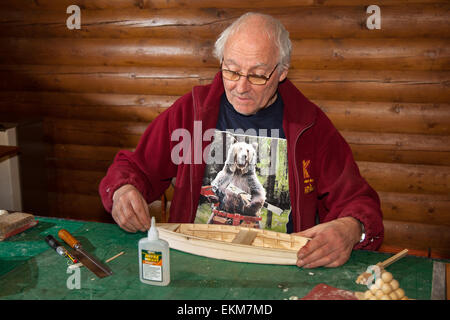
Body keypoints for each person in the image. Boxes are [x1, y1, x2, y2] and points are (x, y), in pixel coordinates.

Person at [99, 12, 384, 268]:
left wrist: (350, 228)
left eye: (258, 75)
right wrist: (123, 191)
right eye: (232, 71)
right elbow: (135, 168)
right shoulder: (191, 113)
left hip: (281, 266)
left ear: (282, 72)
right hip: (194, 260)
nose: (241, 87)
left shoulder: (310, 126)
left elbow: (357, 201)